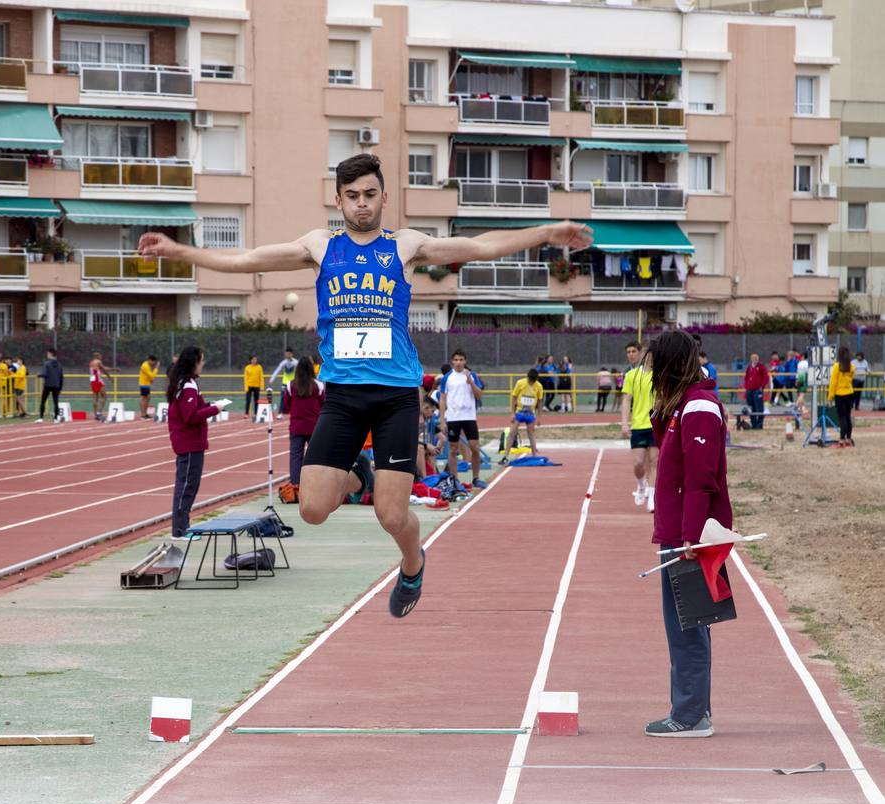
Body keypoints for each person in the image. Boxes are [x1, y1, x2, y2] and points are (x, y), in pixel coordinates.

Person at [139, 152, 592, 617]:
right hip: (344, 397)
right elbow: (246, 259)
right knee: (312, 509)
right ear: (338, 200)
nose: (361, 205)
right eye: (352, 196)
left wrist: (546, 233)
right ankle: (361, 470)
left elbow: (479, 247)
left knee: (392, 516)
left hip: (395, 397)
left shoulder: (405, 245)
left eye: (370, 195)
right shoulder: (320, 246)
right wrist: (178, 251)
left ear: (383, 197)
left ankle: (413, 563)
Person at [645, 329, 728, 739]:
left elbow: (701, 478)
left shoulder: (700, 409)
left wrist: (692, 537)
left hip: (689, 535)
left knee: (687, 625)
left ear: (674, 366)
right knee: (688, 621)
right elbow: (671, 455)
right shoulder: (685, 407)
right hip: (679, 530)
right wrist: (662, 411)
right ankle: (697, 710)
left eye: (657, 367)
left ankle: (691, 715)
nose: (653, 376)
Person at [166, 346, 231, 541]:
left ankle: (182, 525)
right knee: (186, 486)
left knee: (189, 485)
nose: (203, 364)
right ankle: (180, 529)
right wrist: (215, 410)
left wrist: (211, 405)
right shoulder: (187, 386)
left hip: (191, 442)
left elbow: (195, 408)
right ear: (193, 362)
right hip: (189, 443)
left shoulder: (188, 384)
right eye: (201, 361)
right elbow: (190, 416)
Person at [438, 349, 486, 489]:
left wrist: (470, 381)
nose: (459, 362)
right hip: (453, 417)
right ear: (452, 361)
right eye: (456, 360)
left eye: (461, 360)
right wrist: (442, 419)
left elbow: (478, 395)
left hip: (469, 417)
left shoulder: (472, 375)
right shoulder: (447, 377)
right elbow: (442, 398)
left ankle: (476, 478)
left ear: (465, 361)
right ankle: (455, 479)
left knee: (474, 447)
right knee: (453, 449)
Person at [621, 340, 656, 512]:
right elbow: (627, 399)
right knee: (638, 463)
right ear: (644, 354)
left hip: (656, 424)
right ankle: (642, 485)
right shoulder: (632, 375)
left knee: (655, 462)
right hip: (638, 425)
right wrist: (624, 423)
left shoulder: (660, 375)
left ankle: (653, 495)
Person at [283, 356, 324, 491]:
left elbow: (287, 405)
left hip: (296, 426)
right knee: (315, 457)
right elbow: (323, 403)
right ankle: (314, 485)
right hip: (314, 427)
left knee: (295, 456)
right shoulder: (318, 385)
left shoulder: (291, 385)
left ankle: (295, 484)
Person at [504, 368, 543, 460]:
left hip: (530, 414)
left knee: (531, 434)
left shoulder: (539, 386)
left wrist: (539, 417)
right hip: (519, 413)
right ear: (527, 377)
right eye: (530, 381)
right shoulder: (520, 383)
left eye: (533, 381)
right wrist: (512, 413)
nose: (531, 383)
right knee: (511, 433)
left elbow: (540, 401)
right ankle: (505, 455)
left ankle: (534, 455)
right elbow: (514, 397)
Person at [829, 345, 857, 447]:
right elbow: (851, 379)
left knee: (842, 417)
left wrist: (830, 396)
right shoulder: (852, 367)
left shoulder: (837, 366)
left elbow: (833, 382)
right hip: (850, 393)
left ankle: (841, 439)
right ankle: (848, 438)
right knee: (848, 416)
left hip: (840, 394)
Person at [742, 352, 769, 430]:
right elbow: (746, 378)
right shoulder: (749, 367)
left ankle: (759, 425)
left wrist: (762, 387)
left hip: (758, 390)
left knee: (759, 408)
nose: (754, 360)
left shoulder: (761, 367)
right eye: (753, 358)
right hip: (750, 390)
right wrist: (746, 387)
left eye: (756, 358)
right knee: (752, 408)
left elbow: (765, 377)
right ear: (751, 359)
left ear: (758, 359)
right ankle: (753, 424)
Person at [269, 348, 298, 415]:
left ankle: (294, 412)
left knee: (294, 398)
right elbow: (277, 370)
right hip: (285, 382)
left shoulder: (295, 362)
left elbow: (301, 369)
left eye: (289, 353)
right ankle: (280, 413)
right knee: (283, 397)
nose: (288, 355)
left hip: (293, 383)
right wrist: (272, 379)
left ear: (292, 354)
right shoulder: (283, 362)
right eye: (286, 353)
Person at [38, 349, 64, 423]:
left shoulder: (47, 364)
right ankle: (56, 418)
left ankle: (41, 418)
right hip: (56, 385)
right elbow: (61, 377)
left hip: (48, 384)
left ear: (50, 354)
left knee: (43, 401)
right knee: (56, 402)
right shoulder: (59, 365)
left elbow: (44, 374)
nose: (47, 355)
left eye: (48, 354)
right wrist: (60, 388)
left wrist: (39, 375)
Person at [89, 352, 113, 421]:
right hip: (98, 381)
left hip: (92, 381)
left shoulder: (91, 362)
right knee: (104, 396)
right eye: (100, 356)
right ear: (98, 356)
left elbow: (102, 368)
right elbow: (104, 370)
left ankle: (95, 414)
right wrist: (110, 377)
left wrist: (114, 369)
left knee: (95, 398)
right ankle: (99, 412)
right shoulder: (98, 361)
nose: (101, 357)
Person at [138, 354, 160, 419]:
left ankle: (145, 413)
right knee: (144, 398)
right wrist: (156, 368)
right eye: (153, 362)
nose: (153, 364)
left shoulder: (147, 365)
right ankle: (143, 414)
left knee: (147, 398)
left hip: (146, 384)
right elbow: (152, 375)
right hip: (144, 384)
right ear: (150, 360)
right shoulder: (145, 366)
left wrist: (151, 380)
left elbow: (149, 376)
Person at [243, 354, 264, 420]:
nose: (255, 360)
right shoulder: (247, 367)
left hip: (257, 386)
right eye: (253, 359)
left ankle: (256, 413)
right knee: (248, 400)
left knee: (256, 400)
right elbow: (245, 378)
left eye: (255, 359)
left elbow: (261, 377)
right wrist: (246, 387)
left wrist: (262, 386)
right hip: (249, 386)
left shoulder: (259, 367)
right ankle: (246, 413)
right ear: (250, 360)